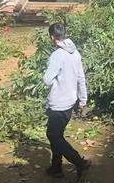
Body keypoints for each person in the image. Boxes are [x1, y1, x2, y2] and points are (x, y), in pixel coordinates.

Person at [43, 23, 91, 181]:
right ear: (63, 34)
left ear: (52, 37)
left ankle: (80, 163)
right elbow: (81, 77)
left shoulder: (57, 55)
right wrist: (83, 99)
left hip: (58, 102)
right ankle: (56, 168)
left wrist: (55, 80)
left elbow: (47, 80)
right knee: (57, 135)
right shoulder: (75, 52)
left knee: (53, 135)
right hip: (70, 101)